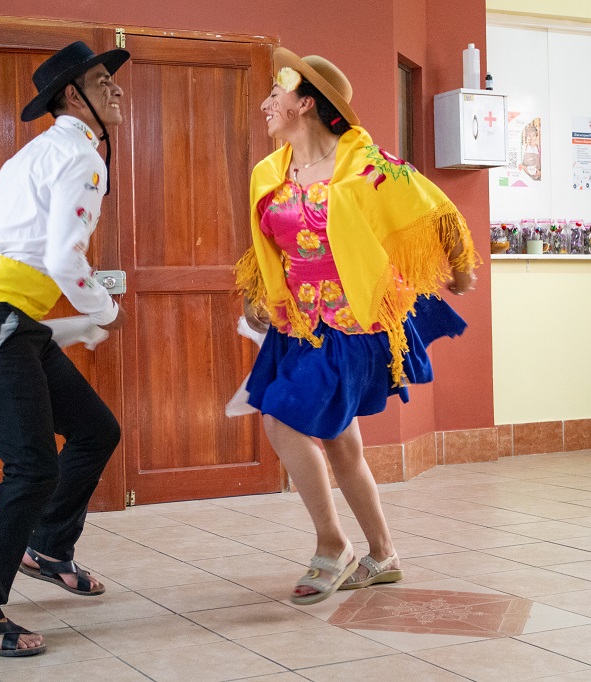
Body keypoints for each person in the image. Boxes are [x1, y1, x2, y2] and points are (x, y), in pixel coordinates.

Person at [236, 49, 478, 605]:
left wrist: (458, 272)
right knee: (343, 446)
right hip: (297, 326)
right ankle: (384, 553)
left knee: (280, 420)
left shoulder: (370, 166)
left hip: (354, 325)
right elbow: (269, 246)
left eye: (279, 91)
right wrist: (257, 293)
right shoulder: (268, 173)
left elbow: (435, 211)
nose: (268, 102)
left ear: (308, 103)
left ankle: (332, 546)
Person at [0, 41, 129, 657]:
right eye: (104, 82)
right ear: (73, 97)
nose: (117, 91)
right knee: (29, 468)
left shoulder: (35, 153)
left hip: (3, 321)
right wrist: (105, 310)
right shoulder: (82, 157)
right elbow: (62, 258)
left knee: (95, 430)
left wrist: (7, 288)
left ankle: (48, 548)